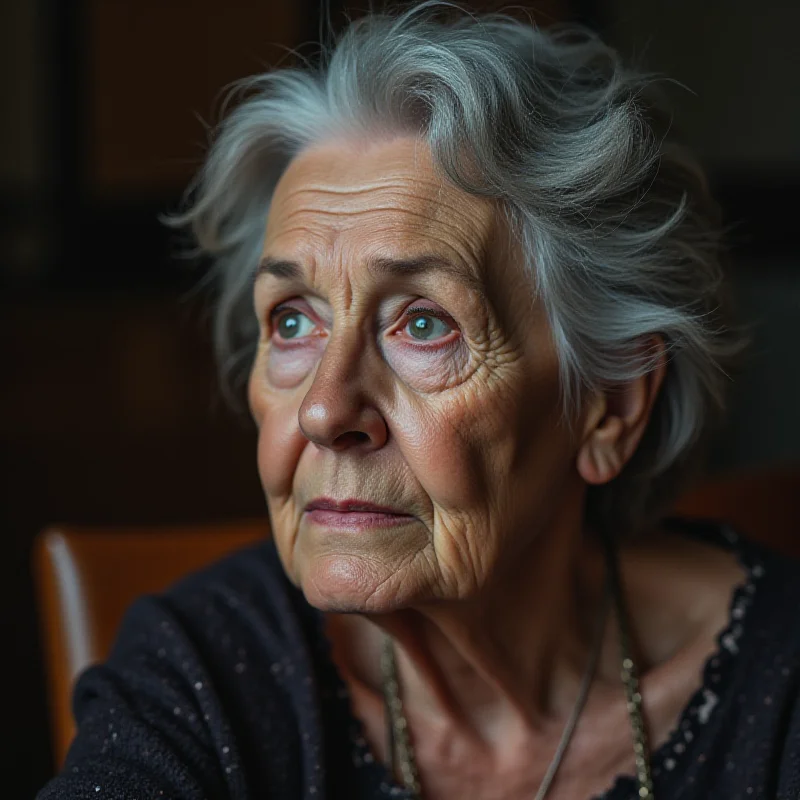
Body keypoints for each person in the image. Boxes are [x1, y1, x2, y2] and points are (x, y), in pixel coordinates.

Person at [38, 4, 800, 799]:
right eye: (293, 320)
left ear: (610, 405)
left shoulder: (780, 693)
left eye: (424, 323)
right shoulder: (201, 673)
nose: (325, 411)